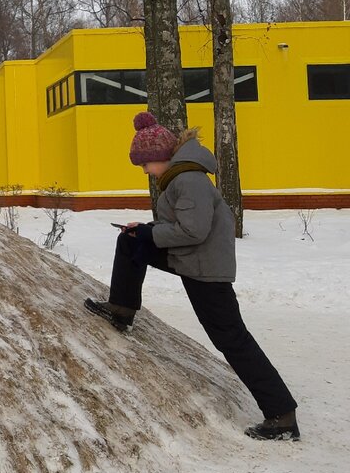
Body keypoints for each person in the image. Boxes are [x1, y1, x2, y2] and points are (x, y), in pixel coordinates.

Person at [84, 111, 301, 442]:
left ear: (159, 156)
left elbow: (193, 230)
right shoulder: (182, 176)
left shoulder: (188, 179)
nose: (145, 171)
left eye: (145, 163)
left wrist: (150, 234)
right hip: (191, 258)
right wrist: (145, 231)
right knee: (128, 241)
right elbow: (184, 228)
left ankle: (281, 414)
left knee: (231, 338)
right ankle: (121, 309)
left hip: (205, 268)